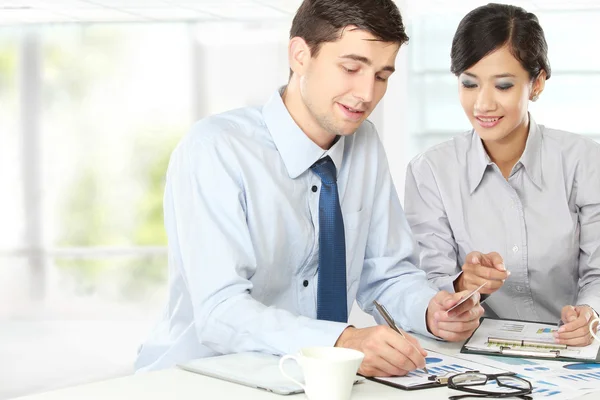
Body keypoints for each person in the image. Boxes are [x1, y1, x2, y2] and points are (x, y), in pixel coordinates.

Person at [135, 0, 483, 375]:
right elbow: (221, 311)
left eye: (382, 76)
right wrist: (341, 341)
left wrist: (429, 310)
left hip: (311, 380)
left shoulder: (363, 143)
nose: (367, 94)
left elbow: (387, 272)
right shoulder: (216, 149)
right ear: (300, 55)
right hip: (200, 377)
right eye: (351, 68)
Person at [404, 3, 600, 347]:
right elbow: (426, 283)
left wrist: (590, 313)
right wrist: (463, 284)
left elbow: (598, 273)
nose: (483, 104)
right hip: (475, 360)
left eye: (504, 85)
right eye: (469, 83)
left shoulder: (586, 162)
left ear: (536, 83)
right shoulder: (430, 172)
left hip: (573, 354)